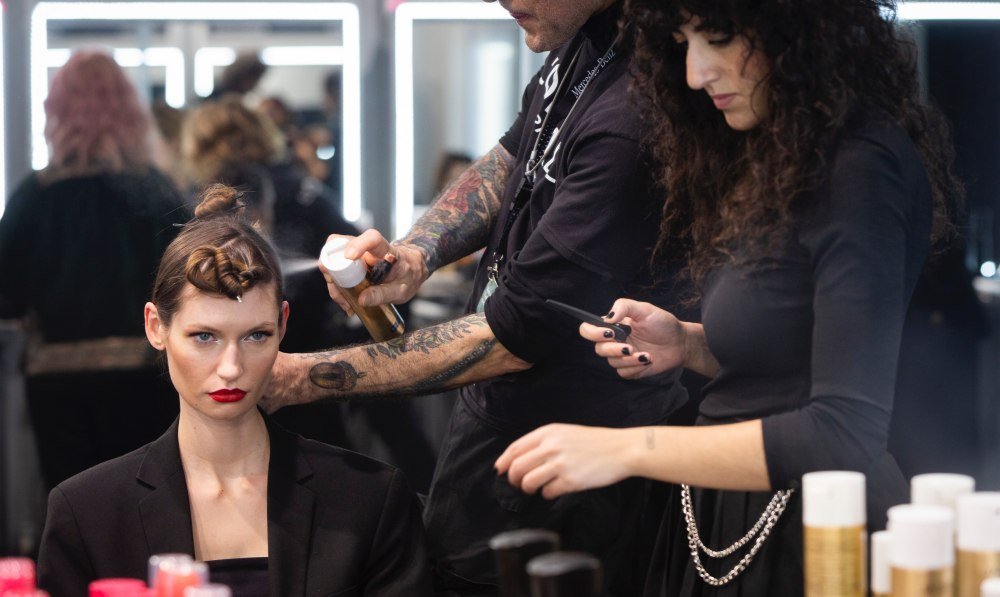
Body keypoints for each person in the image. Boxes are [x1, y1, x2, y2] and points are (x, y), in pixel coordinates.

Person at [493, 0, 962, 594]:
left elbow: (843, 430)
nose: (695, 73)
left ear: (799, 28)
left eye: (718, 39)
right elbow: (788, 364)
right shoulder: (777, 156)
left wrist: (626, 450)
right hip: (723, 518)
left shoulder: (860, 168)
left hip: (811, 536)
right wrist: (687, 343)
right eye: (686, 43)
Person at [264, 0, 689, 593]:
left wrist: (298, 378)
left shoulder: (636, 114)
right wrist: (416, 254)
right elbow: (511, 160)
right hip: (497, 428)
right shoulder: (583, 47)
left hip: (570, 466)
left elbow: (514, 335)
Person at [36, 185, 433, 597]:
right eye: (204, 336)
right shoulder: (89, 513)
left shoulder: (367, 502)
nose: (231, 368)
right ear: (156, 327)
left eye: (256, 336)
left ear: (282, 325)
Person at [182, 98, 438, 490]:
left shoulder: (214, 199)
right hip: (320, 340)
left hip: (285, 348)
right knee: (343, 456)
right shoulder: (303, 189)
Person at [0, 50, 185, 490]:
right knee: (146, 505)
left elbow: (6, 291)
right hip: (147, 375)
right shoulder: (156, 191)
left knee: (73, 510)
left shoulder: (35, 195)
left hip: (58, 383)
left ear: (56, 111)